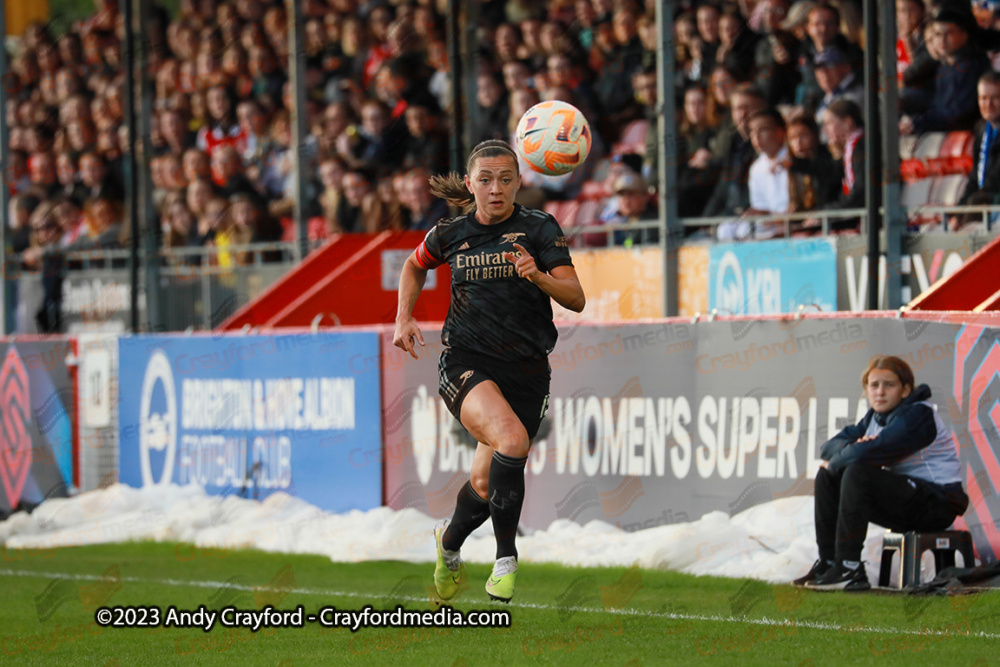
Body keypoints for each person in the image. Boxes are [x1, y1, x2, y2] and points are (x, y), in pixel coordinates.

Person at [393, 139, 585, 604]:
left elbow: (576, 298)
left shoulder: (540, 228)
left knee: (484, 483)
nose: (495, 189)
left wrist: (537, 275)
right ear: (469, 184)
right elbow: (414, 266)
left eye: (505, 180)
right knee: (513, 441)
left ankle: (449, 544)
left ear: (519, 182)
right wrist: (404, 315)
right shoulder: (451, 232)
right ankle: (506, 559)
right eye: (485, 180)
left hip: (527, 369)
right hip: (466, 361)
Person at [794, 355, 969, 591]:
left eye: (889, 385)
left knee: (857, 472)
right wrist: (849, 450)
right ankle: (829, 562)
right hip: (908, 501)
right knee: (827, 477)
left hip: (939, 503)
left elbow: (874, 450)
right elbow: (828, 447)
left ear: (905, 390)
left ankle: (850, 567)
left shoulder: (918, 415)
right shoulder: (873, 418)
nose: (880, 392)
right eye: (873, 385)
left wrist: (851, 453)